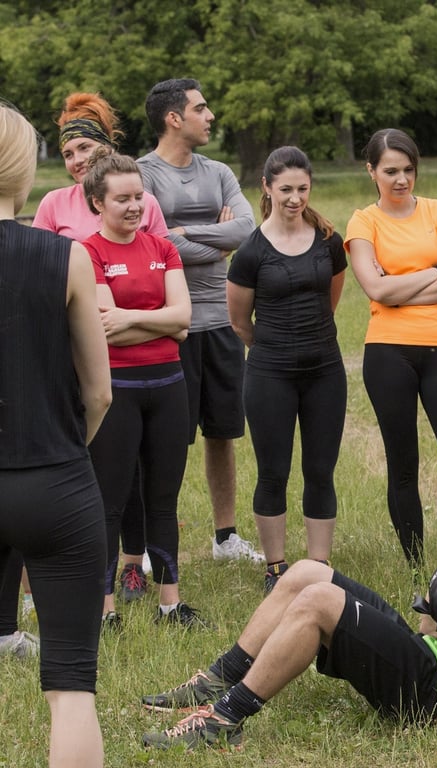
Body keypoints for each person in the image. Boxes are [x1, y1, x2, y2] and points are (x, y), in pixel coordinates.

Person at [140, 492, 437, 750]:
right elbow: (431, 627)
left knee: (320, 601)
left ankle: (224, 720)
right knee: (307, 572)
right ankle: (217, 679)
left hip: (435, 700)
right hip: (425, 658)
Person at [0, 103, 112, 768]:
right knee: (71, 685)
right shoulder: (65, 255)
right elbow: (98, 392)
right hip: (56, 481)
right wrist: (66, 453)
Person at [34, 91, 168, 604]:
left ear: (105, 147)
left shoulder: (135, 199)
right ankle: (74, 563)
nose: (75, 160)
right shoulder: (53, 204)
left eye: (84, 149)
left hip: (133, 357)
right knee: (80, 461)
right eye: (68, 153)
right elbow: (40, 271)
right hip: (69, 348)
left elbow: (161, 272)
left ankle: (132, 564)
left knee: (131, 468)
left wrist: (133, 321)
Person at [344, 128, 437, 568]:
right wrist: (434, 271)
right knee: (403, 464)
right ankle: (416, 568)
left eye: (408, 170)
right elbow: (375, 289)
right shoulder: (363, 221)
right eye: (390, 171)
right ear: (371, 171)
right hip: (387, 353)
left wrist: (399, 288)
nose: (401, 179)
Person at [137, 78, 262, 565]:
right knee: (164, 440)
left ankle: (225, 537)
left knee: (223, 433)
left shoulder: (219, 172)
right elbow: (153, 243)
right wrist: (217, 239)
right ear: (174, 118)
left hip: (222, 320)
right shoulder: (142, 175)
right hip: (170, 325)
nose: (210, 116)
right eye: (201, 108)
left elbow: (246, 230)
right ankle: (150, 543)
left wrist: (188, 232)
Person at [81, 149, 205, 628]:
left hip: (169, 388)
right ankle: (105, 610)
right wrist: (161, 323)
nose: (135, 206)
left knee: (163, 500)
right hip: (117, 391)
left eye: (139, 196)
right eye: (122, 199)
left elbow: (184, 318)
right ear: (98, 202)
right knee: (110, 502)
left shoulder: (163, 248)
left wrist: (131, 318)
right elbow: (104, 329)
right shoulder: (88, 253)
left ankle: (170, 604)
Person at [227, 146, 347, 593]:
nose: (295, 198)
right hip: (269, 375)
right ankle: (276, 567)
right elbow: (240, 321)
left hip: (325, 372)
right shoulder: (250, 252)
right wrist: (275, 350)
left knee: (320, 469)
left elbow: (330, 299)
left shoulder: (329, 241)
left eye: (302, 189)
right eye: (285, 190)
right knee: (273, 471)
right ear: (267, 188)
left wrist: (310, 340)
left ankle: (318, 565)